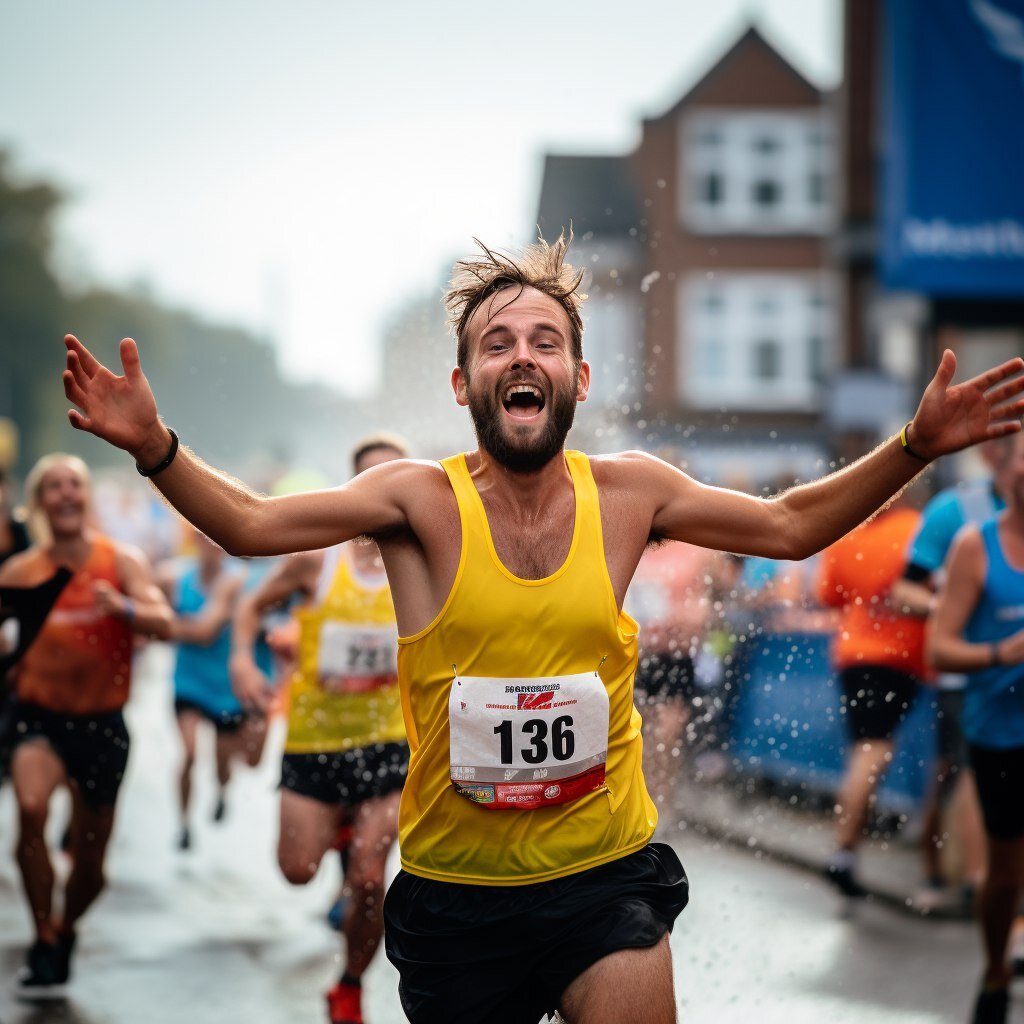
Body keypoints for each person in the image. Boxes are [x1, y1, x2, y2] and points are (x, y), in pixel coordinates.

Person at [61, 234, 1024, 1024]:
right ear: (462, 383)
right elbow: (253, 527)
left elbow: (788, 527)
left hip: (601, 877)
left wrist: (913, 447)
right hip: (456, 893)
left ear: (578, 375)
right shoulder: (415, 502)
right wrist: (155, 447)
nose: (522, 355)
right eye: (497, 343)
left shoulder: (631, 493)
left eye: (544, 341)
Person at [230, 435, 409, 1024]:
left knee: (368, 879)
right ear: (353, 489)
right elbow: (252, 607)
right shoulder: (318, 557)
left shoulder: (424, 560)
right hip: (315, 741)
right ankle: (335, 833)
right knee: (297, 870)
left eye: (395, 476)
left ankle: (350, 985)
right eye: (370, 479)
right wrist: (242, 659)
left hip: (388, 743)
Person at [0, 453, 171, 995]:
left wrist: (122, 607)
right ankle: (45, 936)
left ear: (87, 496)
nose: (65, 493)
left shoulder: (120, 561)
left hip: (101, 726)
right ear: (40, 502)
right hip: (39, 720)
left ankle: (67, 927)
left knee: (92, 863)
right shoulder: (20, 573)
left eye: (74, 483)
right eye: (53, 486)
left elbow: (163, 621)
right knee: (29, 810)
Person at [927, 431, 1024, 1024]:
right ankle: (994, 969)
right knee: (1007, 875)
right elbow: (941, 649)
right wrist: (1003, 653)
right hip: (1001, 732)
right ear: (1007, 472)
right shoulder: (975, 546)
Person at [891, 443, 1013, 910]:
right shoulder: (956, 511)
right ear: (993, 457)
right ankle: (968, 883)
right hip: (967, 678)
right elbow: (905, 588)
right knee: (963, 772)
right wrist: (949, 607)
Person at [816, 491, 929, 898]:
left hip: (852, 653)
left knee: (864, 750)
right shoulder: (917, 528)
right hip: (898, 657)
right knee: (874, 750)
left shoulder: (848, 535)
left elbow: (829, 595)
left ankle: (847, 849)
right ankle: (843, 850)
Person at [158, 527, 268, 851]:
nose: (211, 544)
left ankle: (221, 791)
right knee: (189, 752)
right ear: (192, 540)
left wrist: (158, 625)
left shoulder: (236, 580)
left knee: (223, 761)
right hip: (188, 682)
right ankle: (183, 825)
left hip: (224, 688)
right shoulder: (173, 578)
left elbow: (205, 630)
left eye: (215, 537)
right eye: (203, 537)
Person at [626, 538, 721, 813]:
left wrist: (692, 620)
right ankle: (639, 798)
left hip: (679, 654)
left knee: (668, 732)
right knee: (639, 732)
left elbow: (715, 598)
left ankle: (661, 803)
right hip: (642, 654)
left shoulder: (699, 547)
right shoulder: (639, 538)